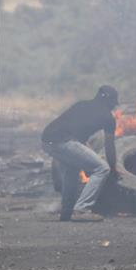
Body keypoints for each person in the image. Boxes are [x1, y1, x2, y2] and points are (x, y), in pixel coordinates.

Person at [41, 85, 119, 222]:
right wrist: (113, 168)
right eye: (113, 103)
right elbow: (110, 147)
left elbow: (71, 127)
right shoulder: (108, 117)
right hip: (64, 141)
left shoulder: (82, 104)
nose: (114, 106)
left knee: (72, 170)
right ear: (111, 101)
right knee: (102, 168)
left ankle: (66, 213)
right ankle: (82, 209)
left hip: (47, 140)